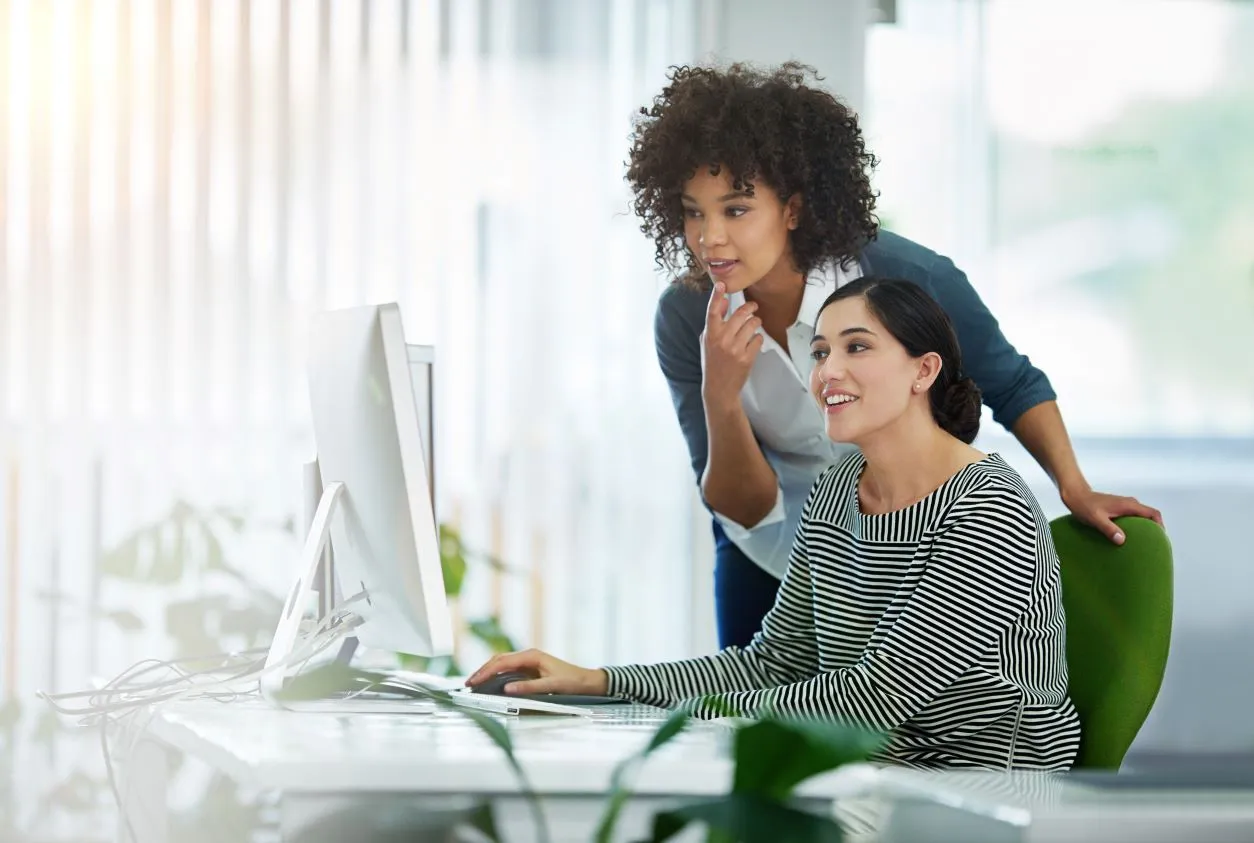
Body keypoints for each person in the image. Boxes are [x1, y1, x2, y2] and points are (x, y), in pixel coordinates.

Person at [626, 61, 1162, 649]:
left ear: (794, 209)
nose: (710, 239)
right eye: (692, 211)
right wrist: (720, 396)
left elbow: (1012, 384)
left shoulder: (910, 278)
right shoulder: (683, 319)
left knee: (885, 726)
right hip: (769, 546)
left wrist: (1073, 486)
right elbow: (744, 507)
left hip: (907, 530)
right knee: (752, 724)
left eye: (735, 209)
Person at [467, 277, 1082, 771]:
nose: (827, 372)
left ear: (923, 371)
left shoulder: (986, 503)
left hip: (978, 791)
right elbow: (772, 664)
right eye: (820, 352)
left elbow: (875, 700)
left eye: (857, 347)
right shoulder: (837, 488)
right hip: (861, 773)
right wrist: (597, 682)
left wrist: (688, 717)